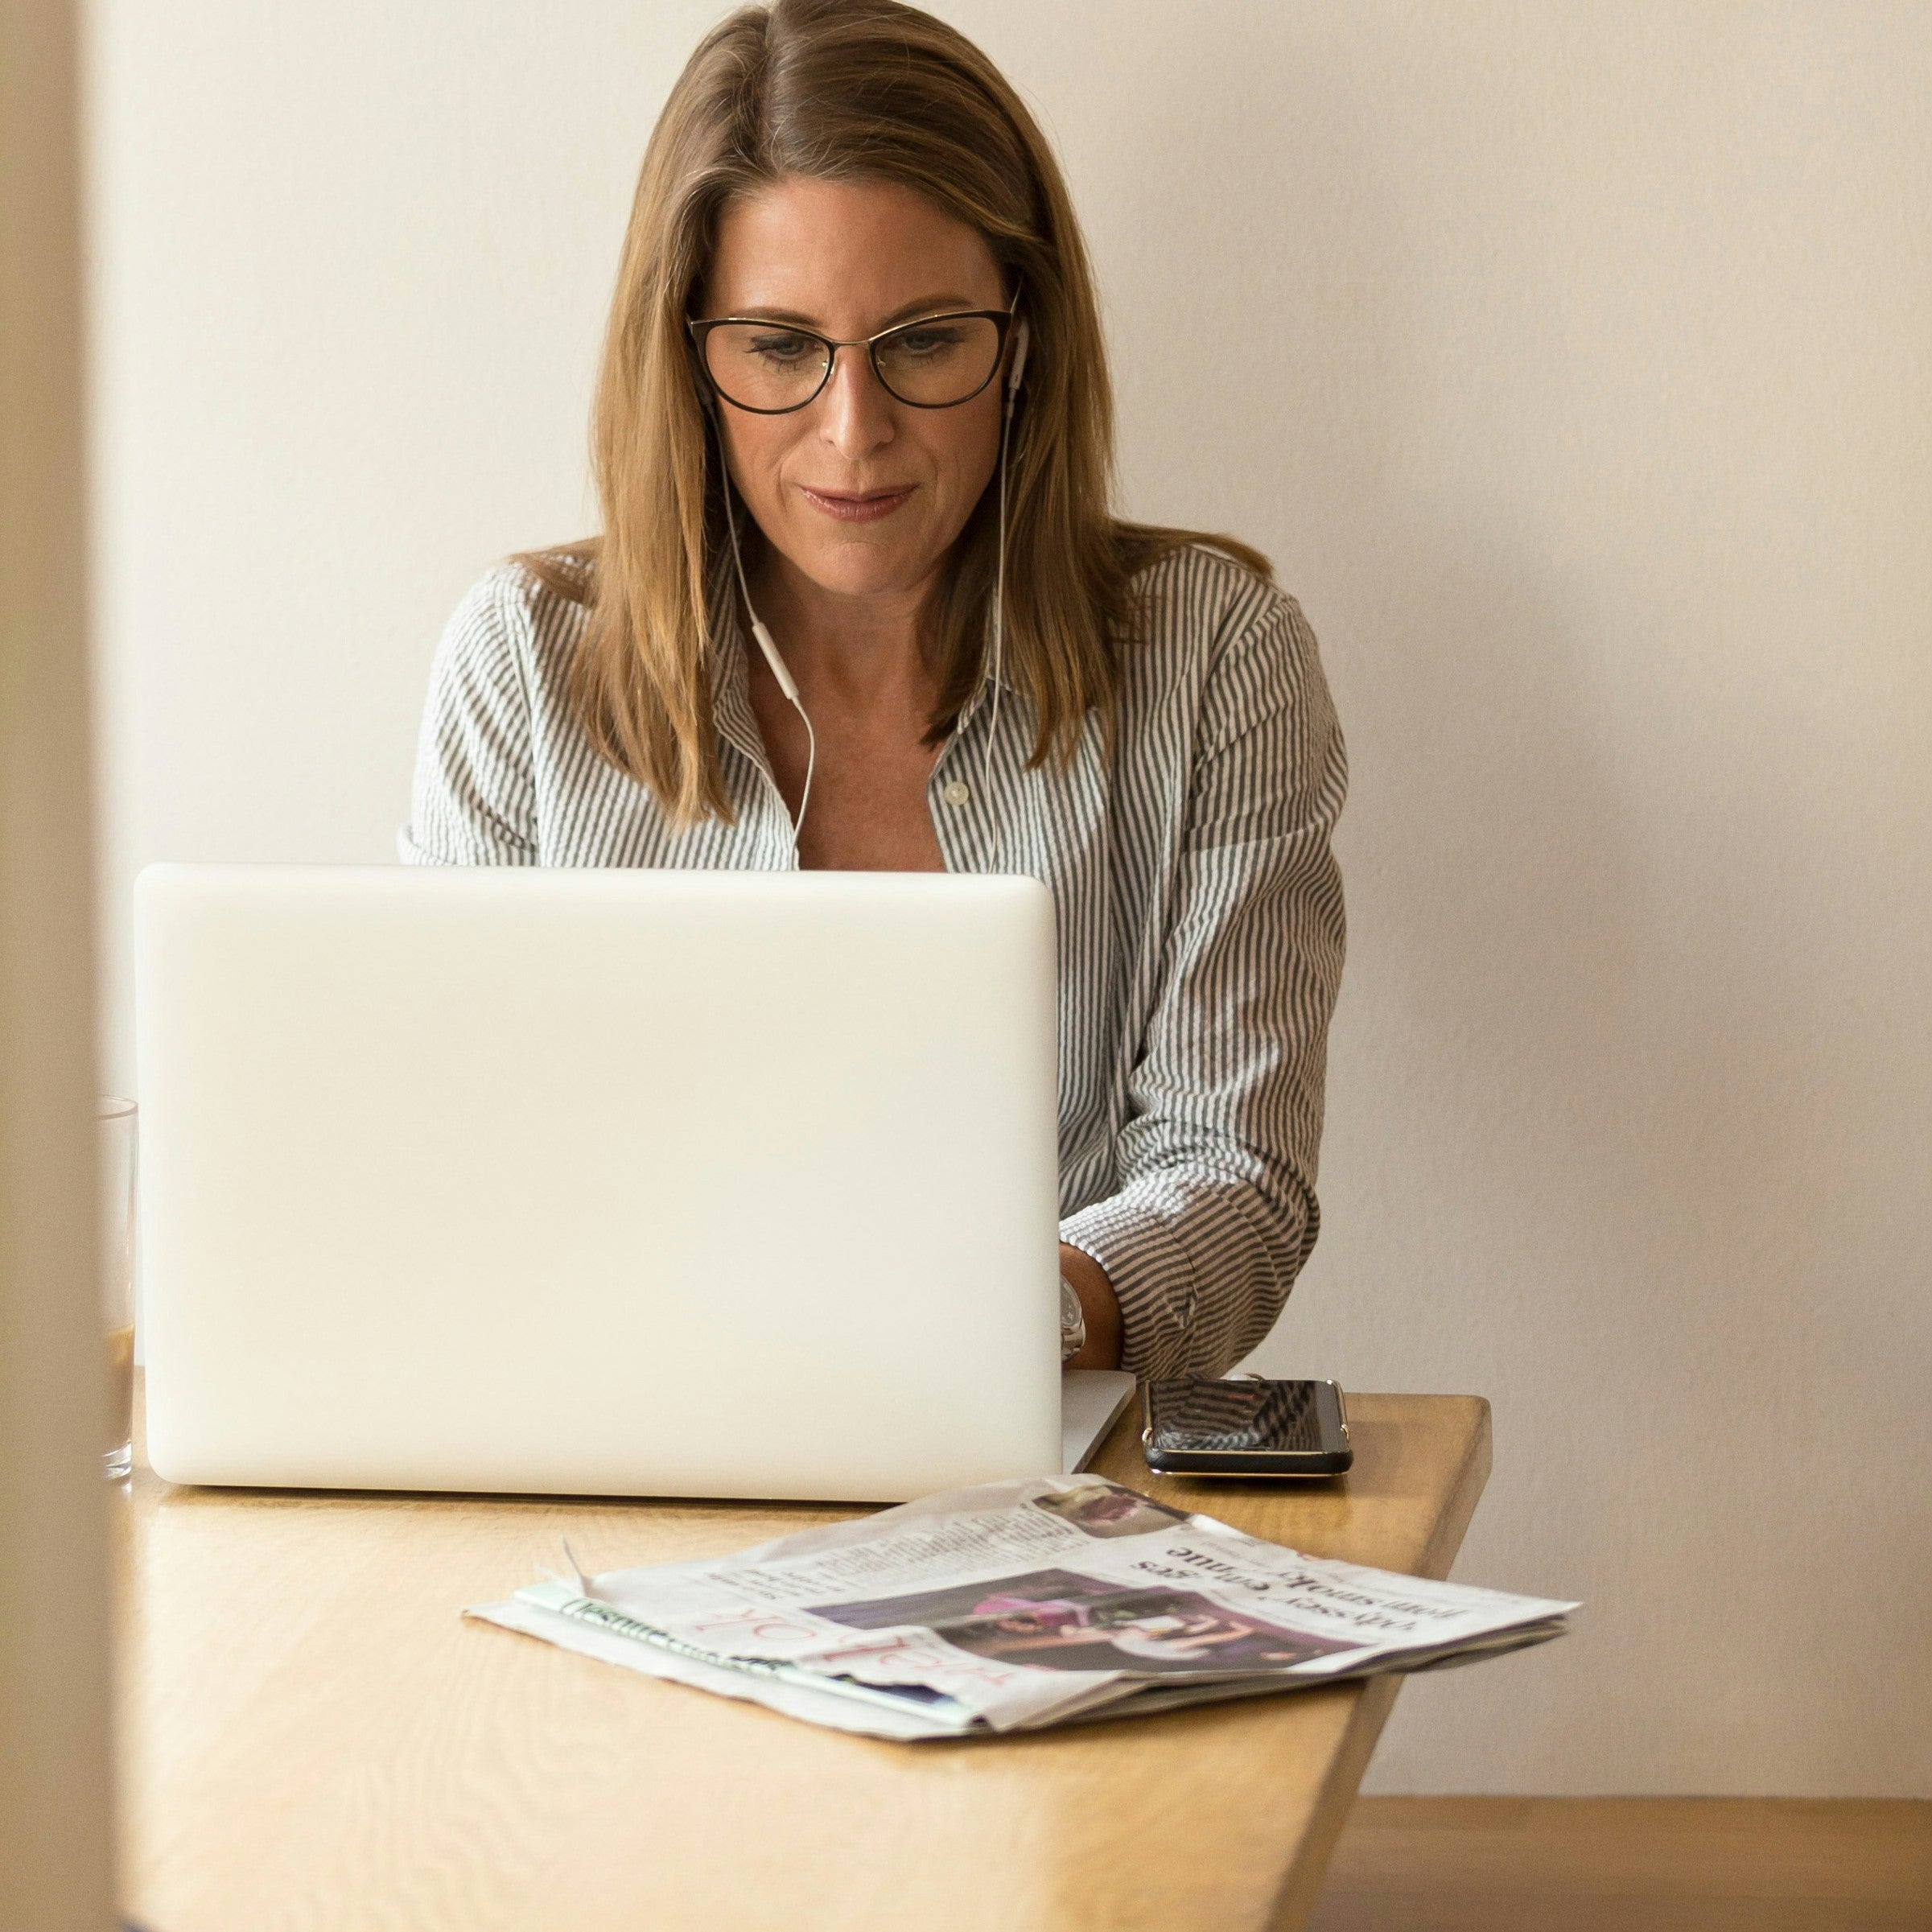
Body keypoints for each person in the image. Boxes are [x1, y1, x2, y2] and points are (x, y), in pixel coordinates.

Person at [399, 0, 1347, 1380]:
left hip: (1042, 1474)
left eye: (923, 340)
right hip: (611, 1450)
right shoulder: (523, 664)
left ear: (1021, 338)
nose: (854, 433)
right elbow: (448, 1168)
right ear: (688, 355)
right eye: (780, 349)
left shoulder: (1214, 657)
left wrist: (988, 1324)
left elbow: (1237, 1181)